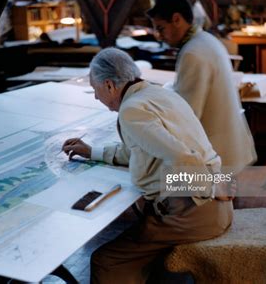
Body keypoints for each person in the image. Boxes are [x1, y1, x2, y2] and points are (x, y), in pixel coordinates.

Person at [62, 48, 233, 284]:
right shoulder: (160, 94)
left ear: (110, 86)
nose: (95, 97)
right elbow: (141, 149)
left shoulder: (132, 110)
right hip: (214, 208)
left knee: (107, 259)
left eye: (95, 89)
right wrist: (92, 151)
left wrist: (212, 189)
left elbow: (184, 158)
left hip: (196, 212)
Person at [146, 0, 256, 172]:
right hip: (229, 143)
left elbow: (188, 113)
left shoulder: (193, 52)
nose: (159, 36)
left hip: (216, 151)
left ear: (177, 19)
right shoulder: (206, 39)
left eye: (161, 28)